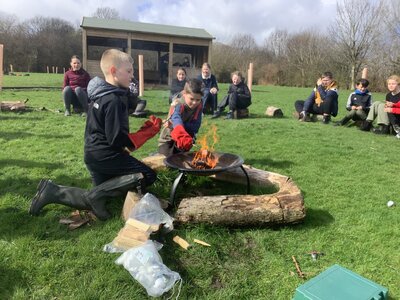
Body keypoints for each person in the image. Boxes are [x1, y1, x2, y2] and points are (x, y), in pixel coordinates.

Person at [29, 49, 162, 221]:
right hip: (105, 156)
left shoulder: (100, 93)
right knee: (149, 175)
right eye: (129, 71)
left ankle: (52, 191)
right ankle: (95, 196)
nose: (132, 76)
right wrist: (145, 133)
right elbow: (115, 139)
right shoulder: (114, 100)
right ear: (114, 71)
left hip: (92, 155)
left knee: (100, 193)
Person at [158, 79, 203, 156]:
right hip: (168, 139)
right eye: (191, 99)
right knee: (167, 159)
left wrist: (174, 126)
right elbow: (176, 118)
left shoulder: (199, 106)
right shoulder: (178, 103)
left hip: (186, 138)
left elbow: (196, 126)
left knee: (180, 158)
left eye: (198, 99)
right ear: (184, 94)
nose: (194, 102)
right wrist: (177, 127)